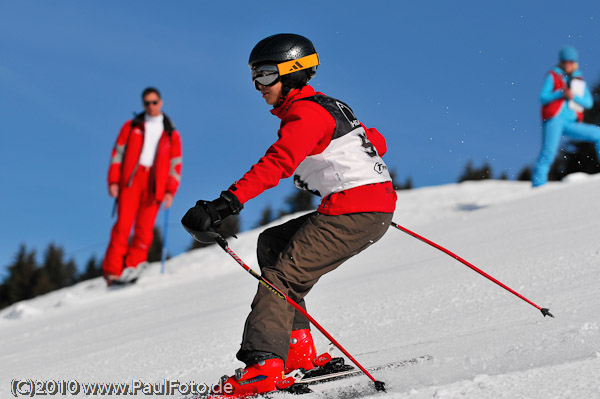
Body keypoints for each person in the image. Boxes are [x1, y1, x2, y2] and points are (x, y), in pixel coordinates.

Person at [181, 34, 397, 397]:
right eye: (253, 76)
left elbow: (278, 162)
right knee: (273, 243)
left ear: (292, 72)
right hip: (364, 206)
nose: (258, 86)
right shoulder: (328, 106)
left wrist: (225, 204)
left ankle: (263, 365)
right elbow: (374, 140)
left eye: (265, 75)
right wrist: (330, 172)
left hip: (356, 208)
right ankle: (297, 354)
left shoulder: (306, 113)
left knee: (280, 278)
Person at [103, 87, 182, 285]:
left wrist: (170, 191)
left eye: (154, 102)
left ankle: (133, 266)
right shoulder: (132, 126)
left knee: (145, 228)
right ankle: (112, 271)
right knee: (123, 226)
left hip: (156, 183)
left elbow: (176, 165)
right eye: (147, 103)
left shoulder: (171, 132)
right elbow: (117, 155)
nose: (151, 106)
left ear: (161, 103)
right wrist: (113, 181)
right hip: (132, 179)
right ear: (143, 104)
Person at [532, 45, 600, 187]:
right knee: (548, 153)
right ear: (561, 62)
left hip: (571, 123)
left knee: (597, 133)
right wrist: (560, 94)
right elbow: (543, 97)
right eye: (565, 61)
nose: (568, 64)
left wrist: (573, 96)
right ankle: (538, 185)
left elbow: (588, 103)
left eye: (571, 61)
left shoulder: (579, 81)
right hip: (554, 119)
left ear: (575, 62)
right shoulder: (553, 76)